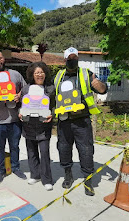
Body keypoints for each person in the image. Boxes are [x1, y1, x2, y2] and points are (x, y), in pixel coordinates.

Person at [54, 47, 107, 196]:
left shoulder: (86, 74)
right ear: (65, 60)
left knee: (86, 151)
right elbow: (53, 94)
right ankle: (68, 175)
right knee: (63, 149)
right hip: (64, 121)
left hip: (82, 121)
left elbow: (102, 89)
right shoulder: (58, 75)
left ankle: (88, 181)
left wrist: (100, 86)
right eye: (69, 58)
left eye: (74, 57)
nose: (72, 60)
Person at [0, 50, 27, 184]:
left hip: (14, 119)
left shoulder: (15, 74)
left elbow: (25, 89)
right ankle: (0, 171)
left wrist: (19, 95)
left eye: (0, 58)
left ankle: (16, 168)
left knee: (15, 146)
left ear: (4, 59)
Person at [19, 62, 55, 191]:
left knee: (44, 152)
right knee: (31, 151)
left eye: (41, 72)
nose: (39, 75)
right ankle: (35, 175)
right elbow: (22, 105)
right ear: (32, 75)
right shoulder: (25, 89)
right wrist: (20, 113)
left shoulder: (50, 89)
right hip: (28, 125)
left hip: (44, 125)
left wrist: (53, 114)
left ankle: (47, 179)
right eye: (36, 73)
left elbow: (55, 105)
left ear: (45, 73)